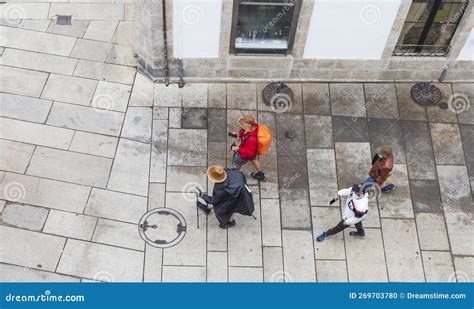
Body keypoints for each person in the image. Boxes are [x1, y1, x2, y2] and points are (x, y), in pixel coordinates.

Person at [231, 115, 266, 182]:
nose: (242, 127)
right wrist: (239, 134)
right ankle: (261, 175)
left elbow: (248, 154)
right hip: (252, 151)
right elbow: (245, 134)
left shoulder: (251, 139)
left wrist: (238, 149)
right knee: (254, 159)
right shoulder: (254, 127)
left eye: (243, 125)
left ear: (248, 125)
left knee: (238, 163)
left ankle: (235, 174)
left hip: (245, 154)